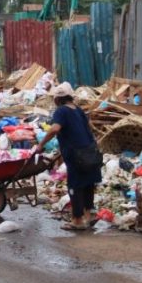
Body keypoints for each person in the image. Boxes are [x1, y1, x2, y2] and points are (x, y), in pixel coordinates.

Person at [37, 82, 102, 231]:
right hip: (90, 152)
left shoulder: (61, 111)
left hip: (76, 155)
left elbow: (55, 128)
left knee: (75, 185)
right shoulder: (78, 110)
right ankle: (89, 215)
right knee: (88, 183)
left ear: (58, 99)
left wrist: (41, 144)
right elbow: (88, 129)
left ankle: (77, 221)